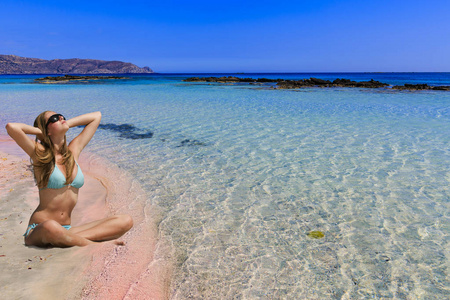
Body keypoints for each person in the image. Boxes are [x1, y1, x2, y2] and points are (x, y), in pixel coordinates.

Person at [5, 111, 133, 247]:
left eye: (62, 116)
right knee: (51, 227)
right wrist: (41, 131)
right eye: (55, 118)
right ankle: (98, 246)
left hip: (67, 228)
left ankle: (69, 238)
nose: (61, 118)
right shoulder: (40, 155)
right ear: (46, 129)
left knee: (125, 220)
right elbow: (12, 127)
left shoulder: (74, 151)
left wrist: (65, 124)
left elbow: (96, 117)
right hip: (41, 228)